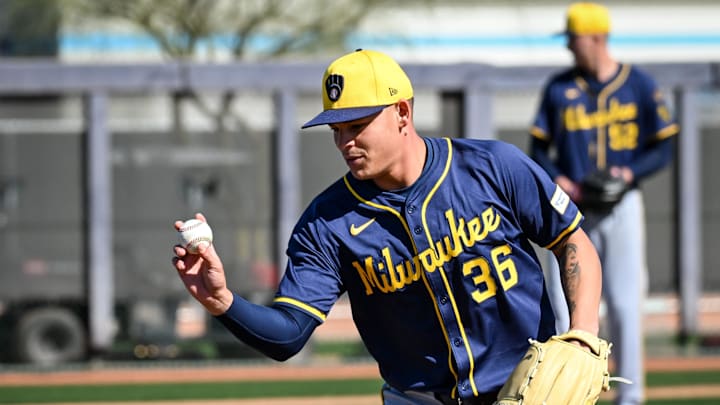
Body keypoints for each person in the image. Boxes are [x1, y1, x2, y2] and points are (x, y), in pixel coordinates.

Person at [173, 49, 604, 405]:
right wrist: (223, 302)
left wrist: (582, 334)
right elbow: (288, 335)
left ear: (401, 111)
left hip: (527, 389)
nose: (345, 143)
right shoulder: (326, 223)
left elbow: (571, 242)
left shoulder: (492, 167)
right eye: (336, 130)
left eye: (357, 126)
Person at [528, 3, 679, 405]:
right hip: (572, 210)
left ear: (595, 38)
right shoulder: (559, 89)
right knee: (563, 310)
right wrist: (557, 177)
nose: (569, 48)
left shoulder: (639, 85)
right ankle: (565, 396)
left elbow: (664, 146)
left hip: (621, 207)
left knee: (626, 306)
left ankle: (630, 399)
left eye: (573, 39)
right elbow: (538, 149)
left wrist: (629, 174)